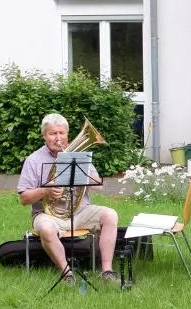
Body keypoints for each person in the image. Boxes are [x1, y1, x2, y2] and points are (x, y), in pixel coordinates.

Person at [18, 113, 120, 285]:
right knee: (47, 229)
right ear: (44, 136)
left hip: (80, 211)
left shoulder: (78, 156)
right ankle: (67, 273)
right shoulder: (33, 160)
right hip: (48, 215)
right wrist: (45, 191)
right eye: (52, 133)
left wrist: (81, 173)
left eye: (61, 133)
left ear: (67, 135)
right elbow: (24, 198)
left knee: (110, 215)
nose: (58, 138)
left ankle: (107, 271)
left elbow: (99, 186)